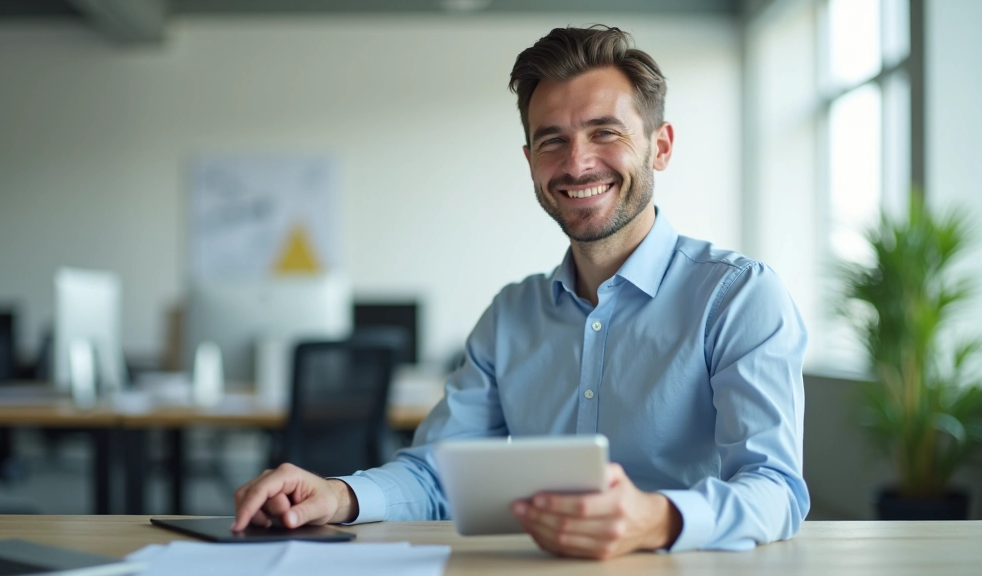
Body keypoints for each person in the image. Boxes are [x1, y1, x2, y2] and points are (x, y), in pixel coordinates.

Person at [234, 25, 809, 559]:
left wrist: (656, 519)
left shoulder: (738, 297)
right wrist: (338, 497)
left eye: (604, 132)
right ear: (531, 161)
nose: (578, 163)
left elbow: (777, 490)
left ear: (660, 147)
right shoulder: (510, 315)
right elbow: (440, 474)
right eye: (551, 141)